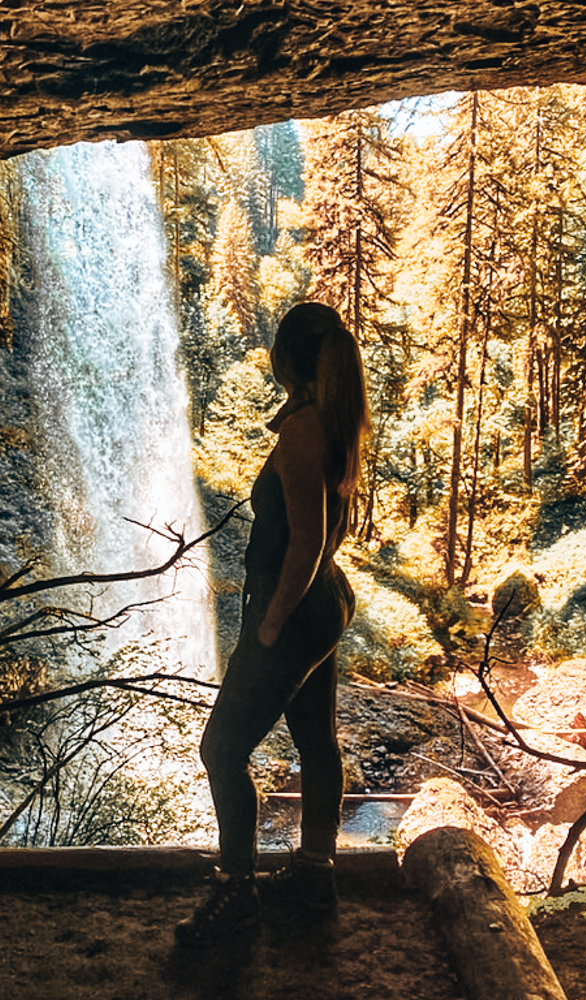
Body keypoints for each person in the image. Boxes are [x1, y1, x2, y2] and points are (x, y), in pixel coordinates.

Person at [176, 302, 369, 947]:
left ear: (287, 360)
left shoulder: (304, 431)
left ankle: (237, 891)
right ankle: (315, 875)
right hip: (325, 605)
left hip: (296, 607)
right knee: (315, 739)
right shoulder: (332, 420)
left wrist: (270, 623)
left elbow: (307, 542)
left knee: (222, 748)